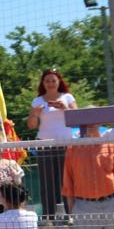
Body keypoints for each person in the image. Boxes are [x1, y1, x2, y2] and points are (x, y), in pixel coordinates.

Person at [28, 69, 77, 220]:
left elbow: (78, 119)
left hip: (65, 144)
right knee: (47, 181)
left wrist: (65, 108)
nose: (50, 84)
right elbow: (31, 126)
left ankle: (71, 215)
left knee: (67, 180)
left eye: (53, 80)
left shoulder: (67, 97)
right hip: (45, 145)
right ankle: (48, 217)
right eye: (47, 81)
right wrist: (35, 113)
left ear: (59, 82)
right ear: (43, 83)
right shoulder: (37, 101)